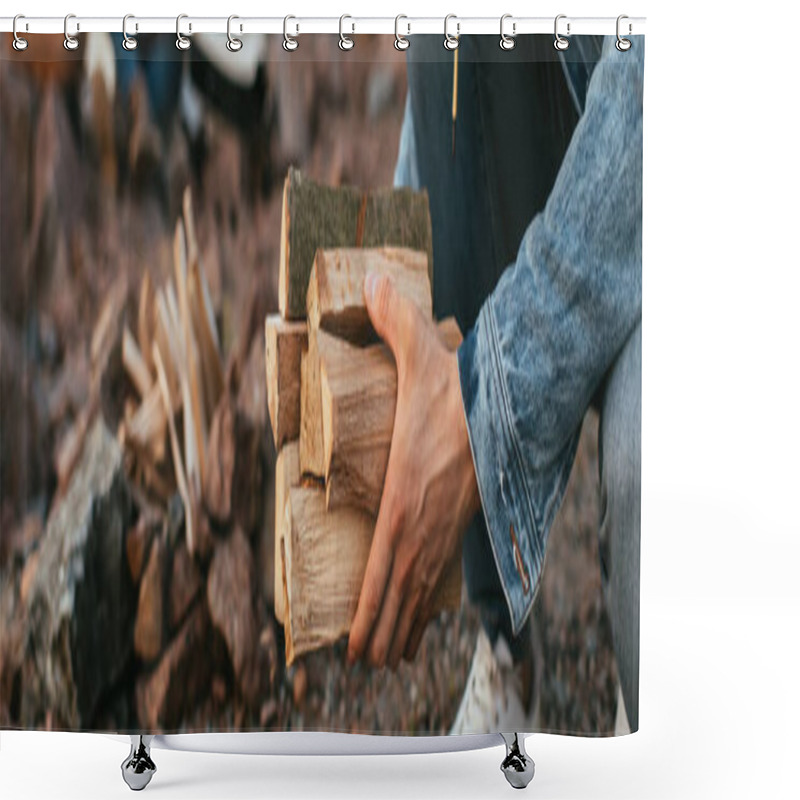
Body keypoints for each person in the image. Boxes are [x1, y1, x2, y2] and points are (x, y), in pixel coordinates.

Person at [346, 34, 643, 735]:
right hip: (580, 89)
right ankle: (507, 647)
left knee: (645, 459)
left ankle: (658, 706)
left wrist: (486, 401)